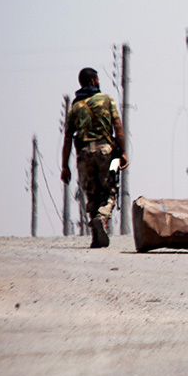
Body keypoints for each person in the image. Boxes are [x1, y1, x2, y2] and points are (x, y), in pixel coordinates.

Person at [61, 67, 129, 248]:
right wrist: (123, 152)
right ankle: (102, 217)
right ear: (93, 81)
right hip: (106, 152)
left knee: (91, 194)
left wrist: (65, 166)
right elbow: (118, 127)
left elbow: (67, 138)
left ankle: (96, 237)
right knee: (110, 191)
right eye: (97, 79)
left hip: (84, 154)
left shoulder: (75, 107)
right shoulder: (106, 100)